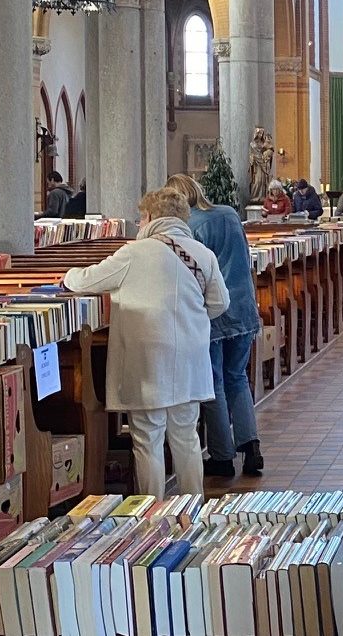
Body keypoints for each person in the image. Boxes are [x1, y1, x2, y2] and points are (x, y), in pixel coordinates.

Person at [62, 189, 228, 497]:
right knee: (186, 436)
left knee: (148, 437)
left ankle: (152, 512)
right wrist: (190, 316)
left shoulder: (134, 253)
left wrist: (66, 276)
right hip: (189, 358)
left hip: (146, 359)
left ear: (150, 217)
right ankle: (193, 505)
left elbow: (87, 281)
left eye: (141, 216)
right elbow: (219, 303)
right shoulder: (202, 253)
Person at [164, 173, 264, 479]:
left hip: (213, 311)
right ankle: (251, 446)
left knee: (215, 382)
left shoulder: (189, 227)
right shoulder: (230, 214)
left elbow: (193, 273)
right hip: (244, 304)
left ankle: (222, 456)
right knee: (238, 377)